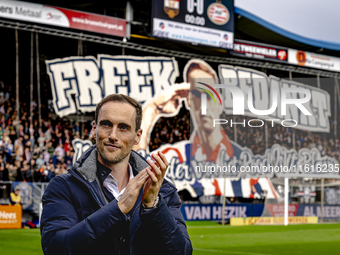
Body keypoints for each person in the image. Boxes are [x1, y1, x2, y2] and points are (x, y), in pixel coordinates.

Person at [40, 94, 192, 255]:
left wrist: (153, 207)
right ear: (94, 129)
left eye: (123, 127)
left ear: (137, 136)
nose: (113, 135)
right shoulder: (63, 187)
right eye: (106, 124)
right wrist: (118, 208)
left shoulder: (162, 190)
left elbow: (182, 252)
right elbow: (55, 249)